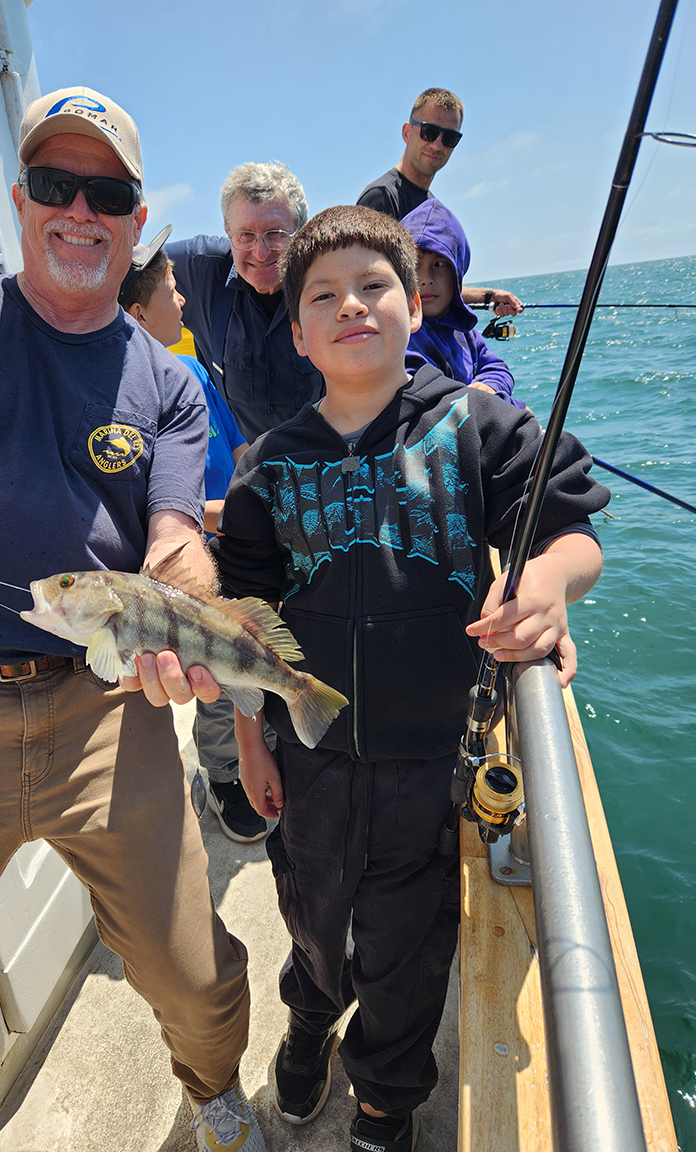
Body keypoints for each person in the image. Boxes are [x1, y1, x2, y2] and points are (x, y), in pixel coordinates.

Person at [0, 86, 266, 1152]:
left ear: (135, 220)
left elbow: (172, 540)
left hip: (101, 711)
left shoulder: (164, 382)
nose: (79, 210)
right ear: (21, 200)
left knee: (192, 972)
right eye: (54, 185)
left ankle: (215, 1090)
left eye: (105, 192)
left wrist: (201, 620)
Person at [213, 205, 609, 1150]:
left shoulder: (483, 426)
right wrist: (247, 743)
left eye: (373, 285)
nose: (352, 305)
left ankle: (387, 1093)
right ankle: (310, 1020)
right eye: (324, 296)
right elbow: (244, 624)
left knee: (409, 942)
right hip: (305, 759)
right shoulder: (264, 469)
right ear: (299, 335)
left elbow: (572, 528)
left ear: (414, 303)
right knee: (309, 908)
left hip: (431, 758)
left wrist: (546, 585)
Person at [120, 231, 267, 843]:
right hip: (189, 557)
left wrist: (252, 505)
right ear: (137, 314)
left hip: (233, 536)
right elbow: (148, 508)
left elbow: (239, 447)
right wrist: (224, 515)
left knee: (249, 653)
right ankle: (225, 777)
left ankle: (255, 752)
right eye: (171, 292)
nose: (183, 302)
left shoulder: (191, 369)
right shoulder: (126, 397)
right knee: (208, 675)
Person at [165, 161, 323, 443]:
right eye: (246, 236)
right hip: (240, 472)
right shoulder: (201, 270)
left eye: (275, 234)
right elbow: (122, 270)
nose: (260, 253)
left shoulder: (329, 277)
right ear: (227, 231)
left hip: (323, 468)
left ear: (300, 232)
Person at [358, 87, 523, 317]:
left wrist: (489, 296)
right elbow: (368, 287)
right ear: (407, 132)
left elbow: (433, 288)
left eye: (449, 137)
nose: (437, 145)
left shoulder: (432, 207)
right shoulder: (381, 197)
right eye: (429, 132)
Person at [402, 198, 526, 408]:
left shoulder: (466, 331)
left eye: (440, 264)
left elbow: (497, 368)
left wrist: (491, 387)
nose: (425, 279)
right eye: (414, 265)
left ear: (457, 273)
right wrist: (513, 407)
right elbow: (432, 403)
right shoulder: (401, 337)